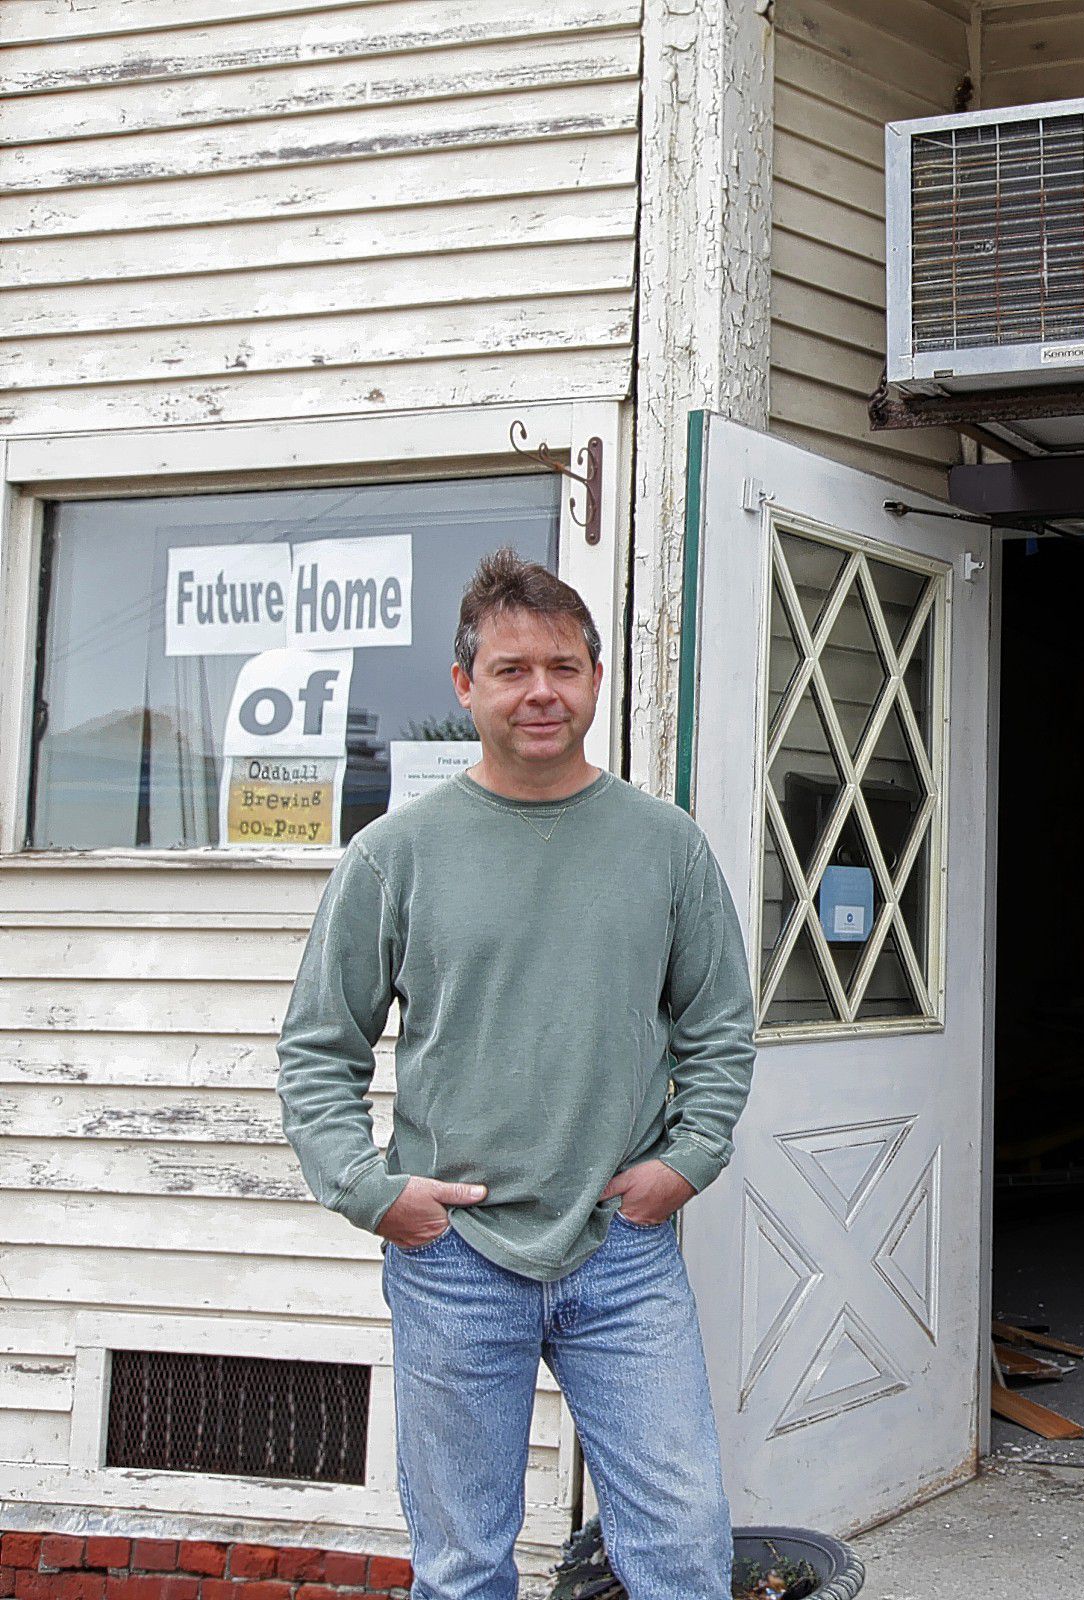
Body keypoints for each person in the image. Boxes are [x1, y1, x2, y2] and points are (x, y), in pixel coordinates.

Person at [278, 552, 755, 1600]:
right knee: (461, 1566)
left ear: (594, 679)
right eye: (511, 669)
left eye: (564, 666)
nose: (542, 691)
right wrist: (371, 1190)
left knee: (681, 1543)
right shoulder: (393, 854)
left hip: (620, 1255)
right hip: (456, 1257)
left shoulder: (665, 847)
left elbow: (720, 1028)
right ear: (465, 685)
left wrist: (688, 1160)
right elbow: (319, 1046)